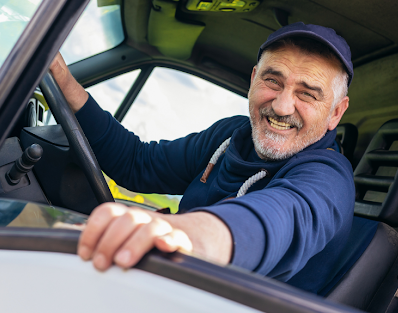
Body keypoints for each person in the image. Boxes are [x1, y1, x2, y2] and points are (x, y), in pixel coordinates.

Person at [50, 22, 357, 295]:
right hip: (174, 292)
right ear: (253, 79)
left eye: (307, 94)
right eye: (273, 81)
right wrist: (63, 79)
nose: (281, 105)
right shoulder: (232, 134)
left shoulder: (329, 178)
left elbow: (275, 221)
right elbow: (137, 162)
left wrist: (180, 234)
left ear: (336, 113)